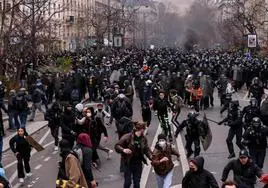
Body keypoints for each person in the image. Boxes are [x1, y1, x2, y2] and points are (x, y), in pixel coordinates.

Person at [115, 122, 152, 188]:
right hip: (128, 163)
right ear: (141, 129)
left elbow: (146, 150)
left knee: (137, 183)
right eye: (144, 128)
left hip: (138, 163)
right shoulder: (127, 137)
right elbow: (117, 146)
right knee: (127, 183)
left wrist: (151, 157)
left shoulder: (143, 139)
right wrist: (124, 150)